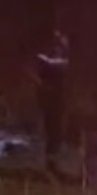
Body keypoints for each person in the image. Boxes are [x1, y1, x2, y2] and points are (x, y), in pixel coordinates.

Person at [34, 30, 70, 173]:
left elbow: (58, 64)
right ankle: (50, 162)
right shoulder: (46, 62)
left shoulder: (60, 62)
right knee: (51, 131)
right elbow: (40, 75)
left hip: (58, 101)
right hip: (49, 101)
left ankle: (52, 161)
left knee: (56, 132)